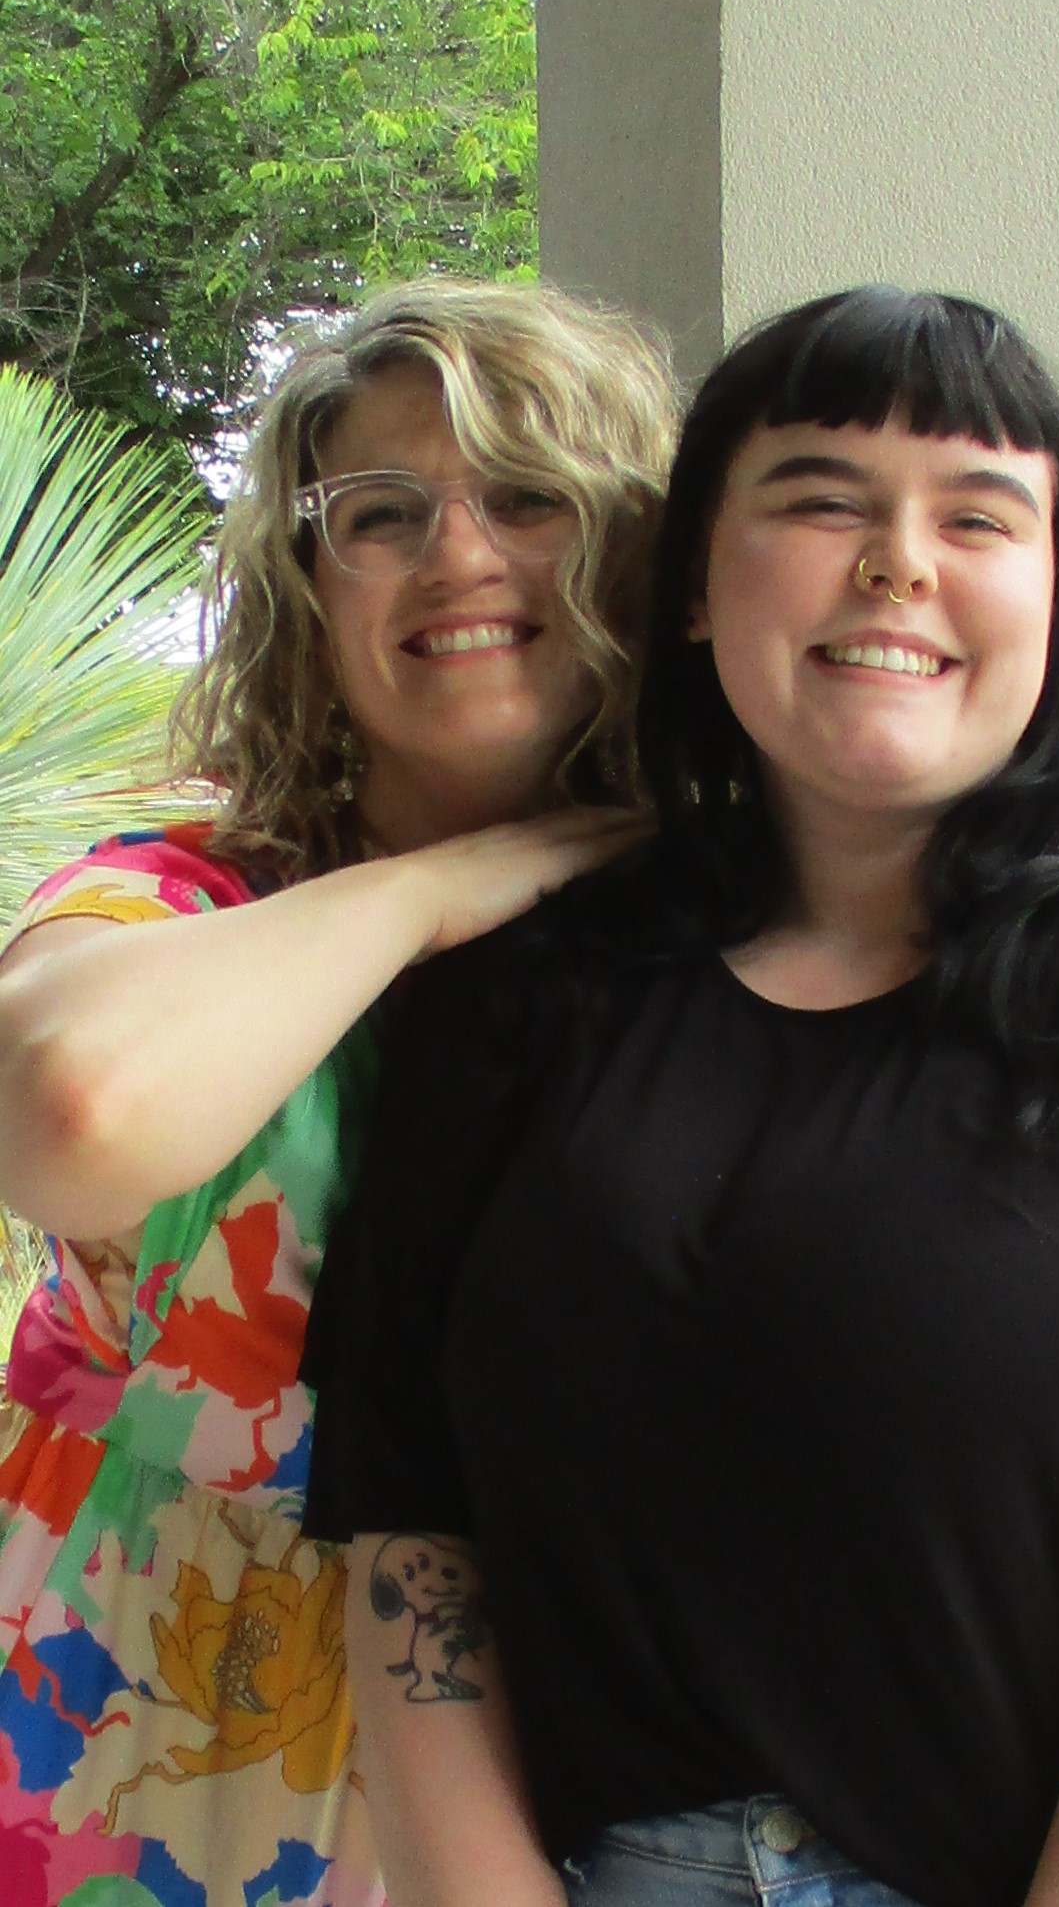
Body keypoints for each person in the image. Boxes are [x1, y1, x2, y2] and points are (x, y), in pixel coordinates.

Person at [305, 286, 1059, 1907]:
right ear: (688, 584)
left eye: (978, 515)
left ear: (1055, 589)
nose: (898, 563)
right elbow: (409, 1518)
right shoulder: (523, 985)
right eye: (820, 499)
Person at [0, 279, 678, 1905]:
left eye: (528, 496)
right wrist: (442, 884)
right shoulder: (191, 887)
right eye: (383, 512)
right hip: (137, 1736)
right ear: (309, 583)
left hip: (575, 1749)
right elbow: (66, 1109)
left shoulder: (732, 927)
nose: (458, 554)